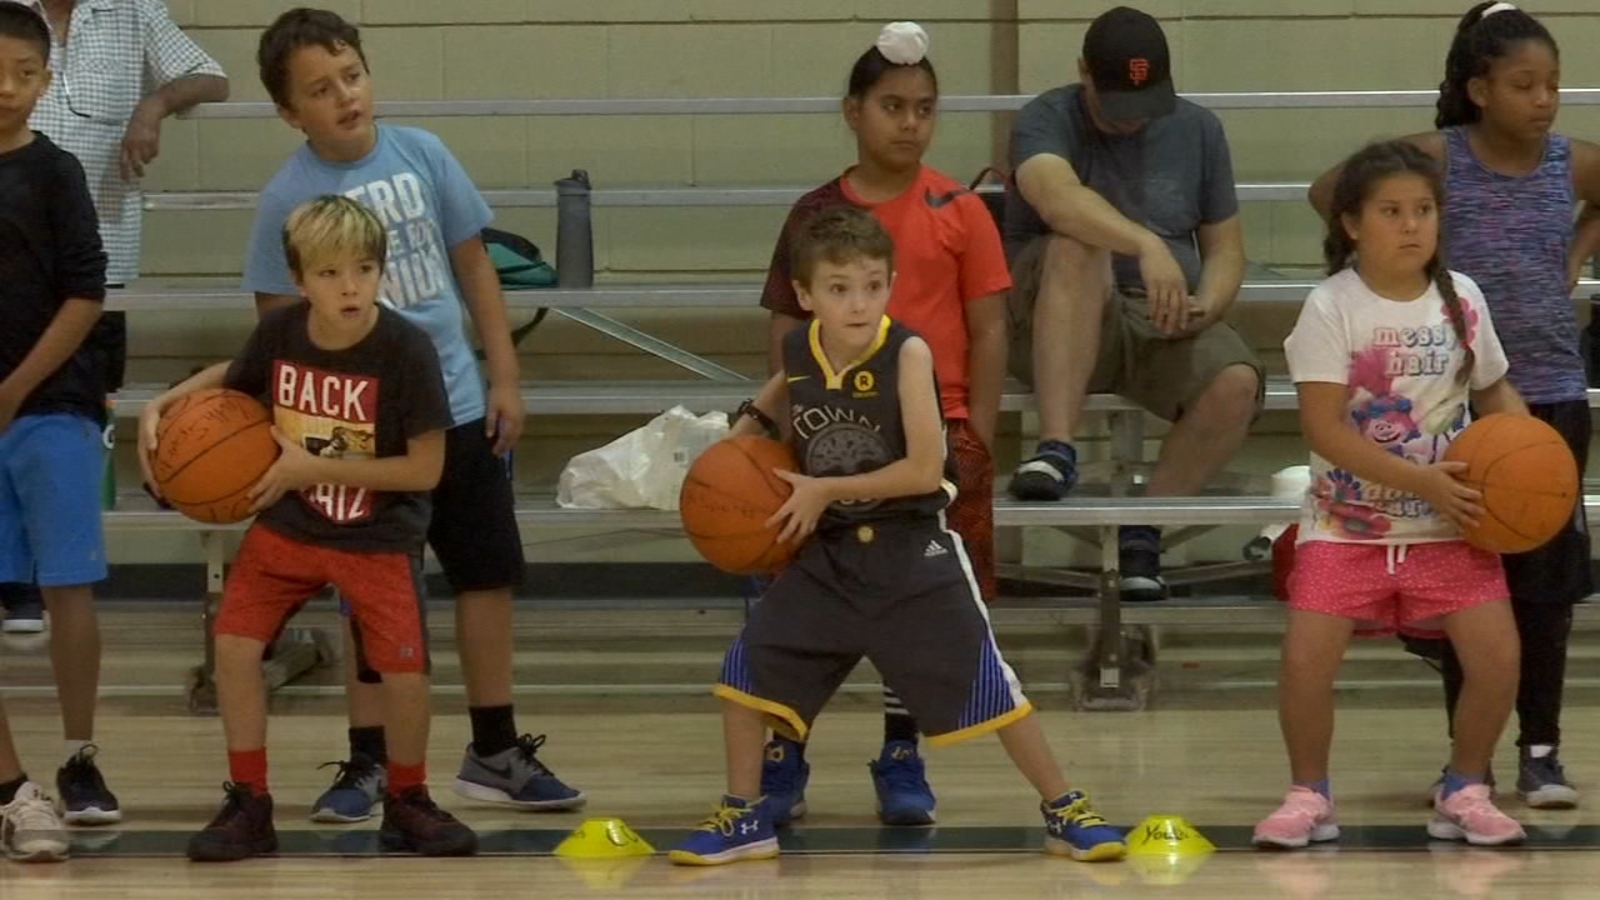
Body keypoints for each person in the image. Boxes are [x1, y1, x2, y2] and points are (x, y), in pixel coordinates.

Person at [669, 206, 1125, 867]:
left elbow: (920, 469)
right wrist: (726, 455)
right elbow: (775, 396)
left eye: (872, 285)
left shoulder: (907, 353)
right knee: (742, 679)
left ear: (889, 284)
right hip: (829, 554)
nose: (858, 303)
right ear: (806, 295)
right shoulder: (800, 349)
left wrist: (823, 488)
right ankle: (744, 818)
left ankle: (1065, 808)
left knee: (996, 692)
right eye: (839, 289)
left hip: (913, 551)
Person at [243, 8, 583, 824]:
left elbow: (476, 267)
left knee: (487, 575)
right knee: (368, 594)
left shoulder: (424, 154)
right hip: (360, 435)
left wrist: (504, 373)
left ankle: (494, 748)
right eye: (320, 91)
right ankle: (366, 763)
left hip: (459, 407)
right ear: (291, 113)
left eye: (352, 76)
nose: (345, 97)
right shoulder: (287, 197)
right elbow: (276, 327)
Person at [1308, 0, 1600, 810]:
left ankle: (1540, 752)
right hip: (1449, 403)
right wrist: (1399, 281)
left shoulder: (1569, 162)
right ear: (1479, 89)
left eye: (1552, 84)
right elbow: (1330, 190)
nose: (1543, 99)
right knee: (1461, 588)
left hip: (1547, 395)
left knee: (1543, 594)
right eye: (1524, 84)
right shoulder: (1440, 159)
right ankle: (1464, 764)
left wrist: (1576, 251)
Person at [138, 196, 477, 861]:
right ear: (299, 281)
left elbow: (426, 469)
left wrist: (311, 465)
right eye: (328, 274)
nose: (349, 286)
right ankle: (249, 801)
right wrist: (167, 399)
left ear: (382, 271)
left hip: (376, 536)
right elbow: (235, 383)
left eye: (363, 268)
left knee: (405, 673)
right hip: (290, 525)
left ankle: (408, 800)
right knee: (234, 646)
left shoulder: (406, 349)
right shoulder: (282, 332)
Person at [755, 22, 1011, 828]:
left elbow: (992, 328)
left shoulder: (960, 208)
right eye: (893, 106)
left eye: (926, 108)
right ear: (852, 112)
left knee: (919, 612)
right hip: (825, 436)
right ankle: (782, 749)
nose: (910, 122)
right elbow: (782, 339)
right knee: (792, 603)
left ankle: (904, 749)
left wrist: (980, 434)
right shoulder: (815, 214)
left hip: (934, 440)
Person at [1257, 141, 1527, 850]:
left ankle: (1465, 785)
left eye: (1424, 211)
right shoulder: (1329, 307)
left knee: (1499, 657)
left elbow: (1494, 387)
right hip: (1346, 526)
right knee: (1304, 662)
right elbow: (1322, 427)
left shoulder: (1462, 299)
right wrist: (1420, 479)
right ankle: (1308, 793)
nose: (1412, 225)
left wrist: (1532, 459)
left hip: (1450, 526)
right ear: (1352, 224)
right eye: (1391, 212)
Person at [1001, 5, 1259, 602]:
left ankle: (1146, 526)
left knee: (1236, 381)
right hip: (1055, 310)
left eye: (1147, 105)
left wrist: (1207, 304)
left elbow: (1225, 248)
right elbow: (1055, 195)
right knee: (1076, 244)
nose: (1132, 122)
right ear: (1084, 74)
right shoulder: (1045, 117)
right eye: (1118, 105)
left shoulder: (1200, 130)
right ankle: (1057, 447)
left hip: (1156, 316)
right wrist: (1142, 241)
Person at [0, 0, 228, 642]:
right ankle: (16, 585)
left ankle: (59, 576)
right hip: (11, 271)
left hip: (99, 264)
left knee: (73, 424)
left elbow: (212, 76)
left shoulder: (132, 11)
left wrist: (151, 105)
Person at [0, 0, 117, 838]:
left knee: (68, 587)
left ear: (46, 81)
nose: (6, 88)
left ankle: (80, 756)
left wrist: (12, 389)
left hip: (53, 409)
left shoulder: (56, 173)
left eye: (24, 73)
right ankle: (9, 784)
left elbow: (86, 292)